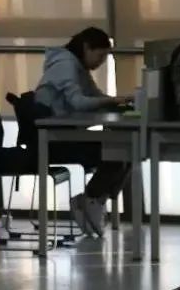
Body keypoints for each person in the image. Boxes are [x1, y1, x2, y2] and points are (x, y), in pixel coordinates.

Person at [34, 27, 130, 237]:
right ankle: (92, 199)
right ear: (87, 47)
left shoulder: (78, 68)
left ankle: (94, 199)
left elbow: (95, 96)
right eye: (100, 55)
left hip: (65, 134)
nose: (101, 62)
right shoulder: (66, 65)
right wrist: (111, 102)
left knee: (125, 149)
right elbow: (78, 102)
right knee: (118, 151)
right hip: (53, 140)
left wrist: (118, 103)